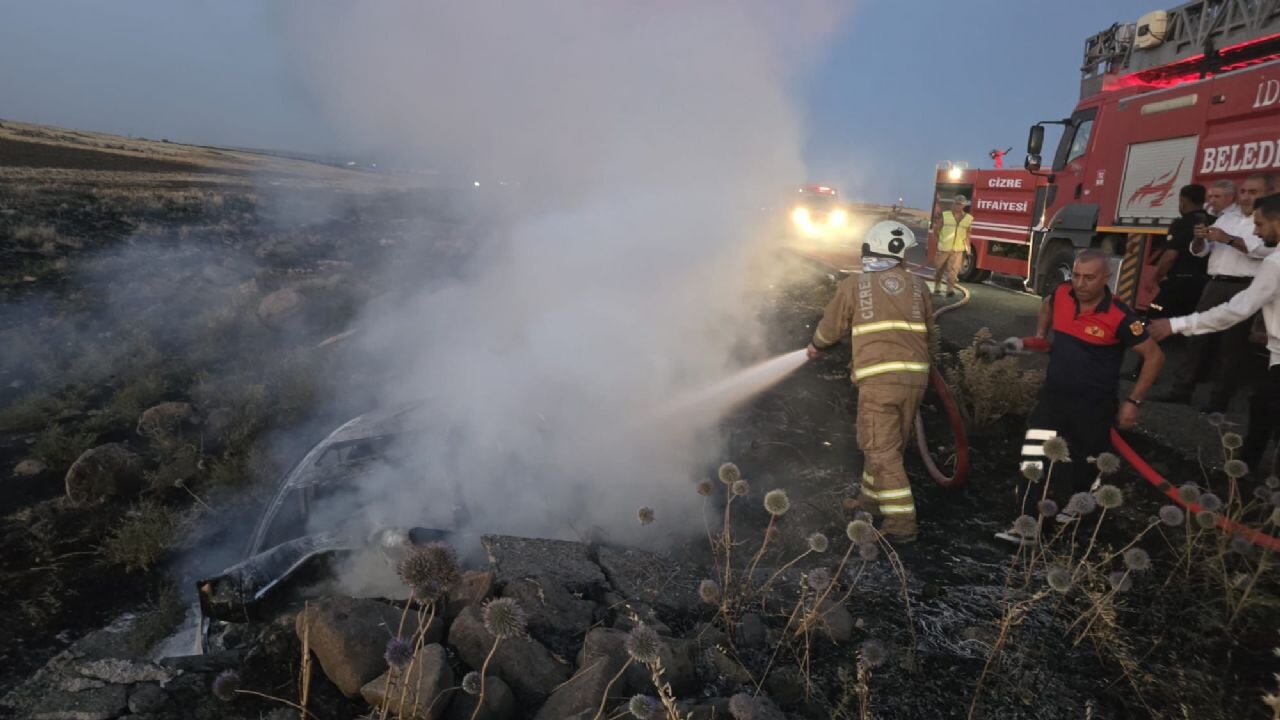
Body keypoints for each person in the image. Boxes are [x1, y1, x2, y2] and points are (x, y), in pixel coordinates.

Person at [998, 250, 1164, 543]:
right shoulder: (1062, 293)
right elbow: (1048, 304)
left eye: (1089, 278)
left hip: (1093, 406)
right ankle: (1027, 526)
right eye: (1076, 275)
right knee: (1033, 458)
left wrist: (1133, 402)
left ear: (1106, 278)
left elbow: (1154, 357)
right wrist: (1041, 334)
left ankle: (1074, 519)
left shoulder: (1121, 316)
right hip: (1054, 398)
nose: (1080, 283)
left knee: (1083, 467)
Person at [808, 220, 937, 542]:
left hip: (879, 380)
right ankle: (870, 500)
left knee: (880, 450)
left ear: (869, 250)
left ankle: (901, 525)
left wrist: (817, 345)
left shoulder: (855, 286)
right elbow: (933, 334)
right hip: (915, 379)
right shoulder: (919, 286)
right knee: (886, 445)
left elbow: (830, 328)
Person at [1149, 193, 1280, 473]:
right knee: (1263, 406)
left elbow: (1236, 310)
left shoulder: (1275, 262)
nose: (1256, 231)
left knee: (1264, 408)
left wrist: (1176, 325)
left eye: (1260, 224)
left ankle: (1247, 480)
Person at [1152, 175, 1272, 410]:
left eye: (1254, 192)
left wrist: (1226, 239)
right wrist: (1199, 242)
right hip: (1215, 282)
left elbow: (1261, 250)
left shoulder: (1268, 221)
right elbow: (1204, 251)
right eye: (1245, 191)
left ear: (1268, 193)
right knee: (1196, 337)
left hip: (1245, 285)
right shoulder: (1228, 217)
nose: (1247, 196)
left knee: (1231, 346)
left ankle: (1219, 401)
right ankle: (1181, 390)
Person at [1122, 185, 1210, 380]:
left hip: (1179, 283)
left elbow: (1170, 255)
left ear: (1183, 201)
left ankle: (1143, 369)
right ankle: (1197, 374)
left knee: (1153, 320)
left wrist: (1154, 279)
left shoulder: (1182, 224)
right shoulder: (1212, 221)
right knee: (1198, 328)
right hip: (1204, 284)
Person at [933, 194, 972, 297]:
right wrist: (939, 241)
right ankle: (937, 286)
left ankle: (949, 289)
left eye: (961, 204)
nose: (958, 206)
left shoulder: (968, 218)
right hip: (944, 248)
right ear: (953, 204)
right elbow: (936, 229)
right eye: (957, 204)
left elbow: (967, 233)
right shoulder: (946, 215)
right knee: (939, 269)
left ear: (964, 205)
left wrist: (968, 247)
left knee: (953, 271)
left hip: (957, 249)